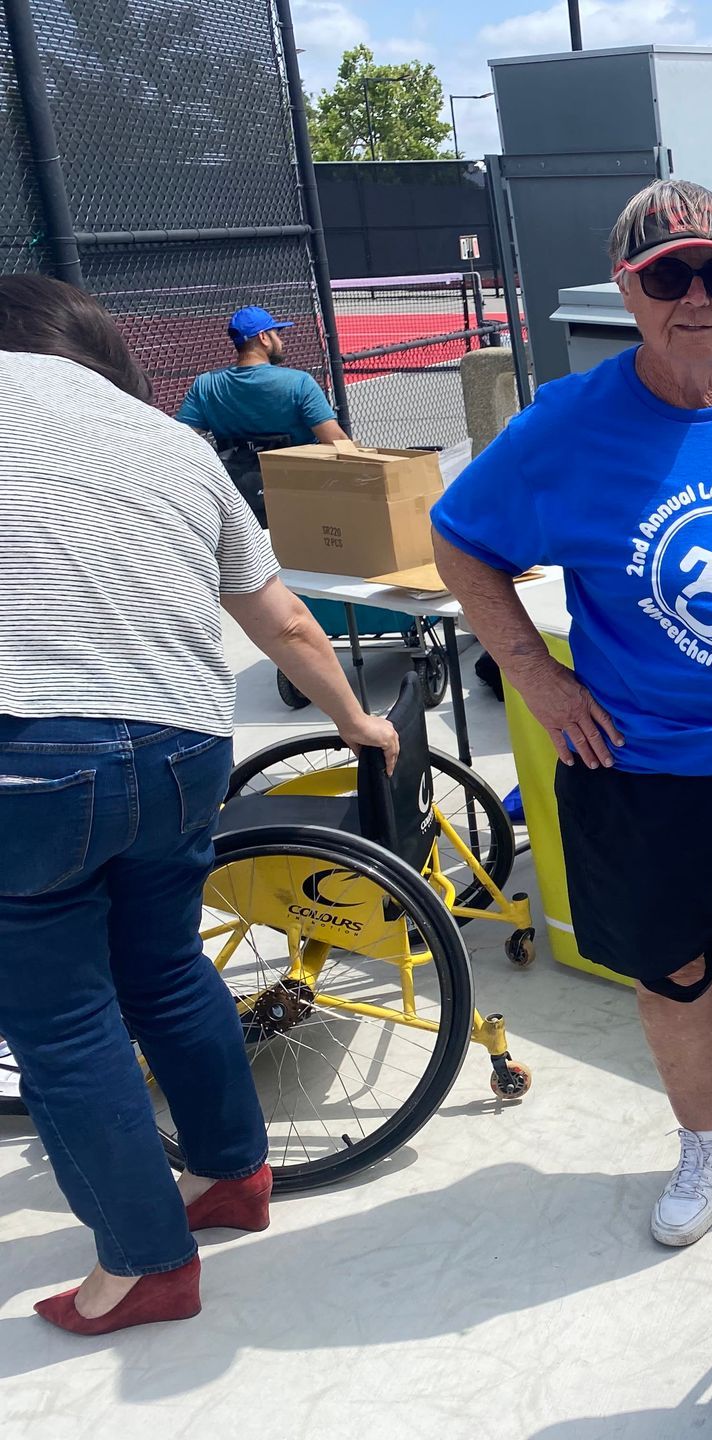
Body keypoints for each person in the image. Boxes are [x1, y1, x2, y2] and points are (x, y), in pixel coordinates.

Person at [431, 179, 712, 1248]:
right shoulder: (566, 426)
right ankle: (706, 1138)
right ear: (629, 289)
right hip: (640, 760)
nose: (697, 297)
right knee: (674, 966)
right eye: (668, 275)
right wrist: (535, 679)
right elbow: (463, 540)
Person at [0, 275, 398, 1336]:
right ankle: (229, 1175)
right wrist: (358, 722)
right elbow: (289, 627)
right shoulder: (163, 441)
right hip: (182, 744)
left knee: (62, 1017)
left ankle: (144, 1264)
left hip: (29, 750)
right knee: (168, 970)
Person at [177, 305, 347, 524]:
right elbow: (337, 441)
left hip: (239, 501)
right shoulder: (299, 383)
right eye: (277, 334)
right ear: (263, 338)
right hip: (298, 497)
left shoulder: (206, 385)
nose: (281, 341)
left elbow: (181, 437)